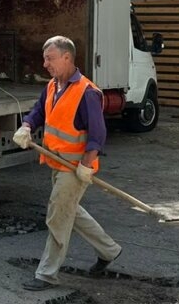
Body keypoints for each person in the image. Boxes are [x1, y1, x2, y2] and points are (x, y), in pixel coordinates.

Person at [12, 35, 122, 290]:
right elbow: (39, 111)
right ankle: (109, 251)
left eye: (49, 59)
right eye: (44, 59)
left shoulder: (87, 92)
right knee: (71, 211)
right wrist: (27, 125)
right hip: (57, 163)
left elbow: (98, 134)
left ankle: (47, 274)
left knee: (58, 216)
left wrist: (86, 165)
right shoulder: (53, 86)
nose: (45, 64)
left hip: (75, 169)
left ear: (66, 57)